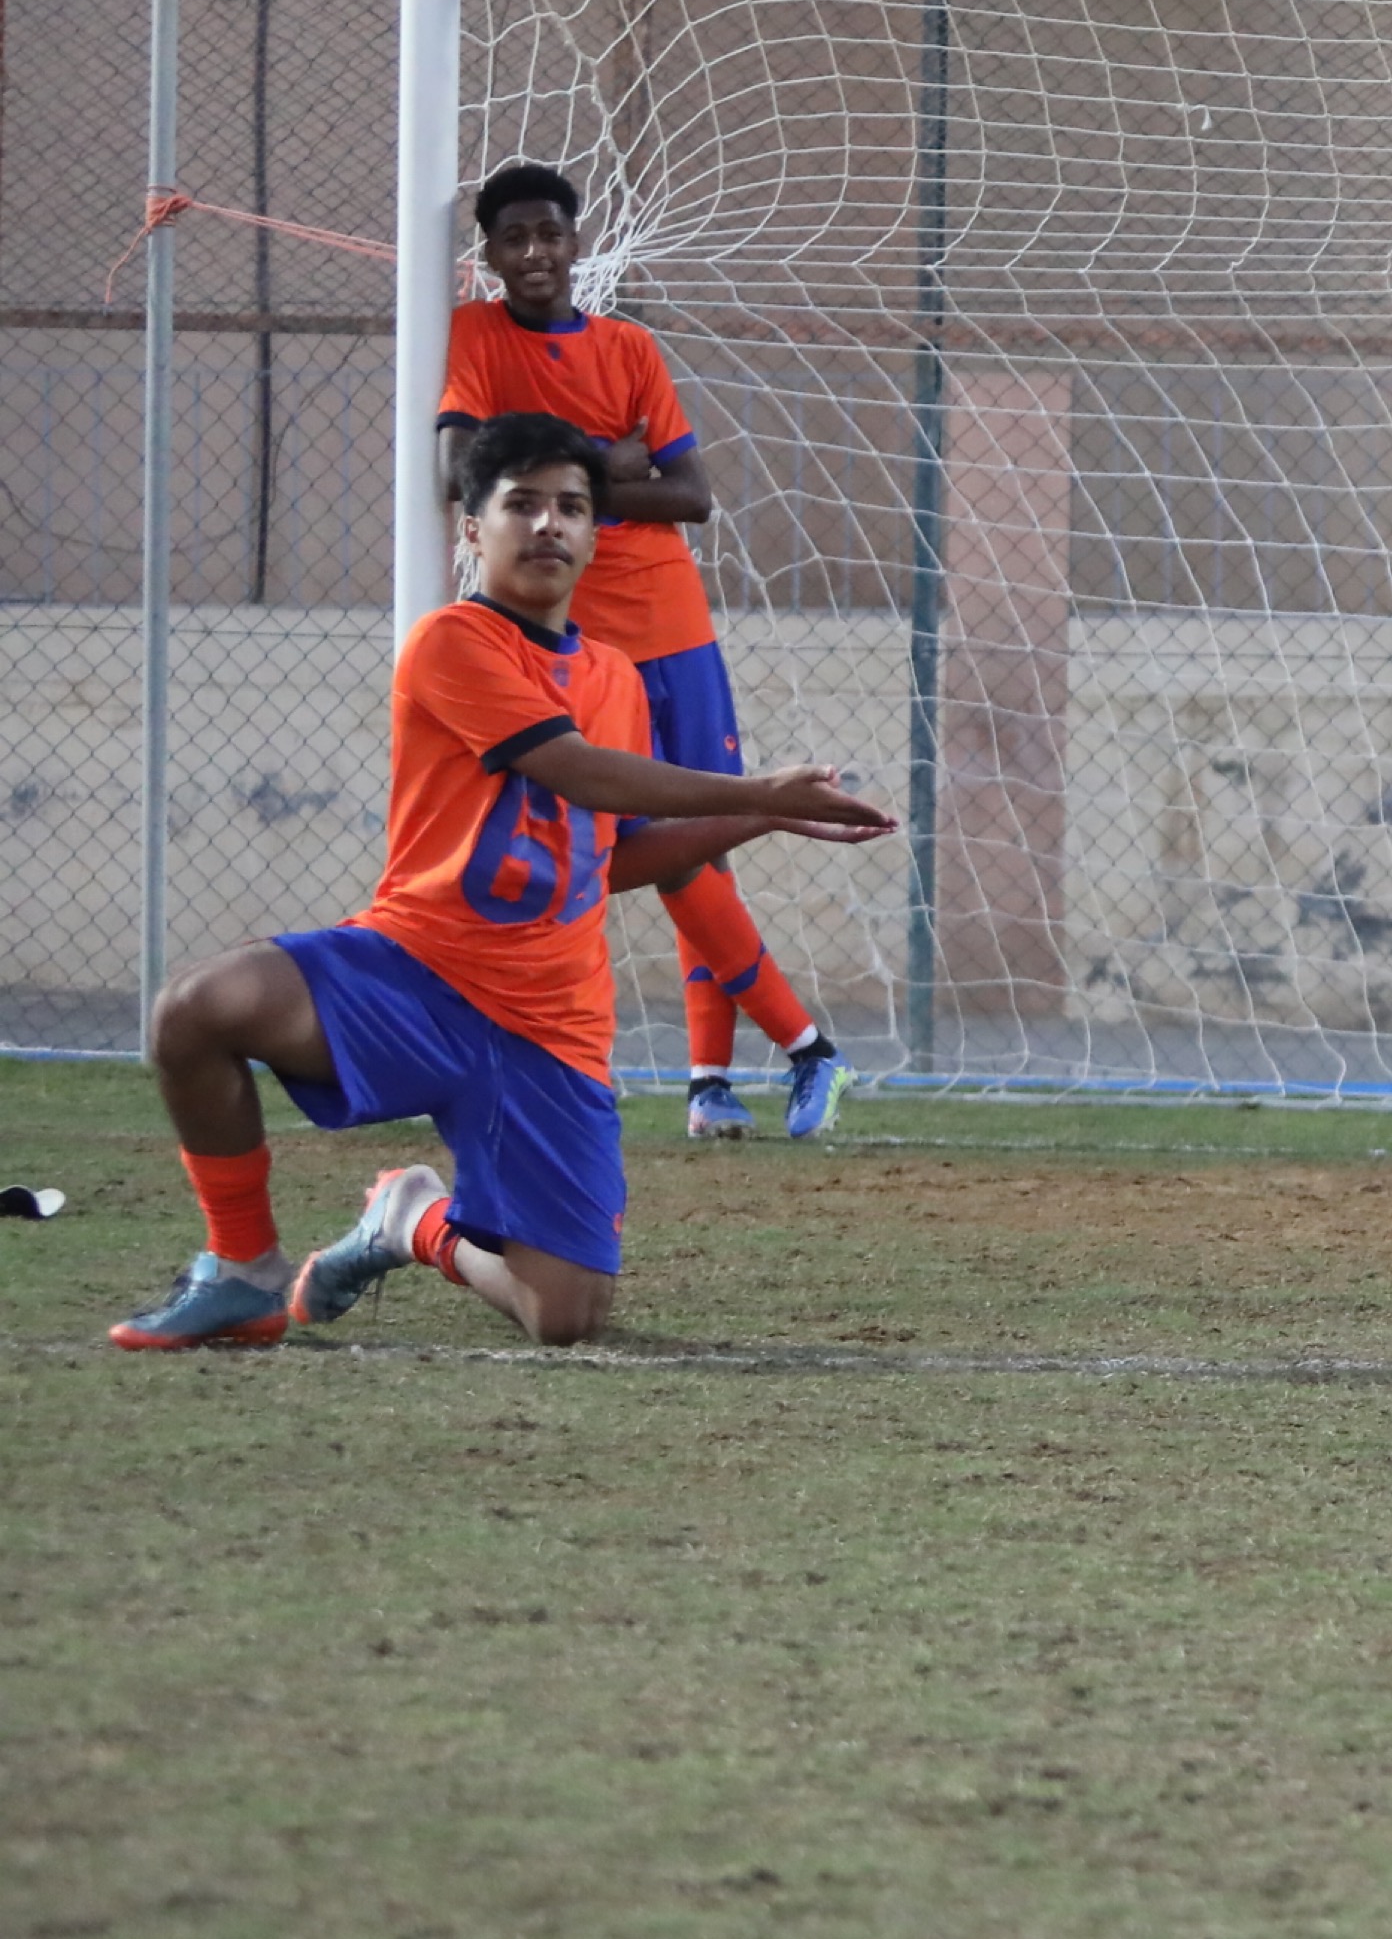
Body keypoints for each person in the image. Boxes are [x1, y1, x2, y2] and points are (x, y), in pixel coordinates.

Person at [110, 414, 897, 1352]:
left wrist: (764, 817)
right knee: (195, 1010)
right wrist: (753, 786)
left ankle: (410, 1220)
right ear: (471, 529)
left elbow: (611, 857)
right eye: (521, 504)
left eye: (572, 507)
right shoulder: (453, 642)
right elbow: (572, 769)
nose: (549, 526)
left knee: (564, 1317)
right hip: (413, 974)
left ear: (596, 535)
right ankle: (242, 1270)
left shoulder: (615, 677)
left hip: (549, 1026)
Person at [441, 160, 849, 1141]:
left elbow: (692, 494)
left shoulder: (629, 347)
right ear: (490, 255)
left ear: (577, 243)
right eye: (514, 238)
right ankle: (808, 1049)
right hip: (572, 639)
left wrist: (558, 471)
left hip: (670, 626)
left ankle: (712, 1082)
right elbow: (465, 471)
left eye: (550, 233)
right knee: (640, 848)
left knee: (697, 839)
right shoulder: (471, 338)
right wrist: (601, 458)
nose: (535, 252)